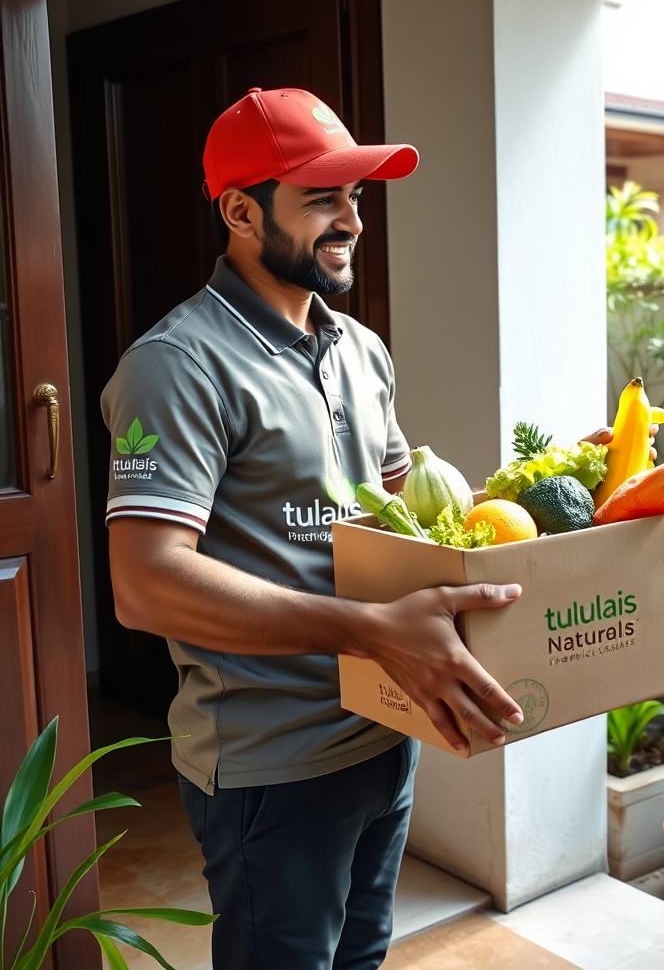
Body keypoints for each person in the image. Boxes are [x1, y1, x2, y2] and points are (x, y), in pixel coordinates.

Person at [101, 87, 528, 970]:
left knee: (362, 959)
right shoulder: (177, 365)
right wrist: (369, 629)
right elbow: (145, 584)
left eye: (357, 198)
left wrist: (558, 489)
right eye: (323, 198)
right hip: (271, 760)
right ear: (240, 210)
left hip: (380, 725)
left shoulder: (362, 350)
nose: (353, 222)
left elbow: (414, 517)